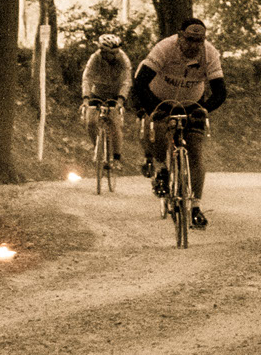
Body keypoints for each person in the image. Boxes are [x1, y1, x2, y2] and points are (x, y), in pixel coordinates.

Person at [134, 18, 227, 229]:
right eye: (190, 39)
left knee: (194, 150)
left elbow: (220, 91)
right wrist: (153, 109)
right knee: (158, 131)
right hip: (161, 99)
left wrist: (205, 110)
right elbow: (140, 81)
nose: (194, 45)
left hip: (192, 103)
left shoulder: (209, 53)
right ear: (179, 36)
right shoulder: (165, 47)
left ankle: (195, 207)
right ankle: (161, 169)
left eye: (199, 40)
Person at [80, 33, 134, 167]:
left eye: (109, 52)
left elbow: (127, 81)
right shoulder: (95, 57)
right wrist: (86, 99)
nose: (105, 55)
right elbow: (87, 77)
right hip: (97, 92)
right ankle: (97, 148)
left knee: (115, 123)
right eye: (103, 52)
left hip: (115, 94)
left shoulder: (123, 59)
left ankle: (116, 157)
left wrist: (120, 101)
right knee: (91, 122)